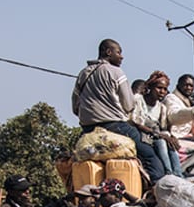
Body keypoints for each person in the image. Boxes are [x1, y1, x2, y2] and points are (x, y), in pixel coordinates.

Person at [71, 38, 167, 183]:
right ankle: (157, 188)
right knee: (149, 155)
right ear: (108, 52)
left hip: (87, 129)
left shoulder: (83, 73)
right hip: (115, 126)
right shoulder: (116, 72)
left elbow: (74, 107)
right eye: (119, 52)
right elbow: (129, 105)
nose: (122, 57)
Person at [132, 70, 185, 177]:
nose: (162, 92)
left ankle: (178, 174)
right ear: (150, 88)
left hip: (156, 135)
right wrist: (160, 135)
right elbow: (137, 123)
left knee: (170, 143)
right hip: (142, 135)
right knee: (161, 141)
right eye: (159, 88)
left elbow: (163, 127)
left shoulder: (162, 108)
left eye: (165, 89)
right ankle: (168, 172)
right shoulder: (139, 100)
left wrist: (171, 137)